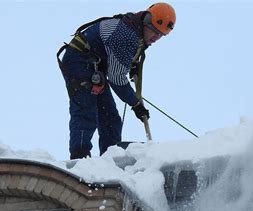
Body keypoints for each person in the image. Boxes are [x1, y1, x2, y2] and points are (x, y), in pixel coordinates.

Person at [57, 3, 176, 159]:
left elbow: (117, 61)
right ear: (146, 23)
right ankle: (79, 158)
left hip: (95, 67)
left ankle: (110, 160)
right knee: (86, 111)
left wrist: (131, 65)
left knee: (110, 118)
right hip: (79, 60)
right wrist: (135, 103)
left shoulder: (137, 33)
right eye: (154, 31)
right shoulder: (127, 34)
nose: (156, 38)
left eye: (161, 35)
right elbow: (116, 78)